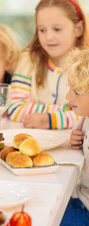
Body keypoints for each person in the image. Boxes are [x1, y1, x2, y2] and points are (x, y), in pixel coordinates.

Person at [7, 0, 89, 129]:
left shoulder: (85, 66)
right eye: (42, 30)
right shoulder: (28, 61)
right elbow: (14, 108)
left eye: (57, 29)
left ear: (78, 29)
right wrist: (67, 111)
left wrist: (50, 120)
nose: (49, 37)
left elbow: (86, 116)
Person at [55, 48, 89, 226]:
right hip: (79, 197)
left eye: (76, 91)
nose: (68, 96)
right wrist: (76, 138)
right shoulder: (85, 118)